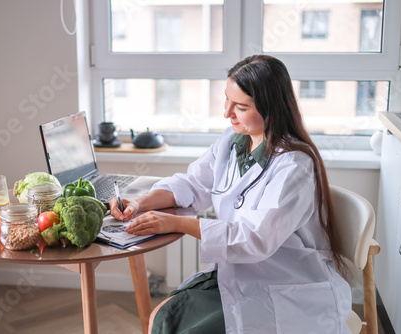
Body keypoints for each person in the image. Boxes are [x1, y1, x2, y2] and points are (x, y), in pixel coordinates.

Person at [109, 55, 351, 334]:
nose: (227, 113)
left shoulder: (294, 166)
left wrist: (175, 223)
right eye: (227, 100)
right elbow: (193, 184)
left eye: (241, 106)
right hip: (238, 275)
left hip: (284, 285)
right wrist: (140, 202)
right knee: (163, 318)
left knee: (173, 326)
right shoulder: (232, 140)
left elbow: (254, 240)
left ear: (271, 110)